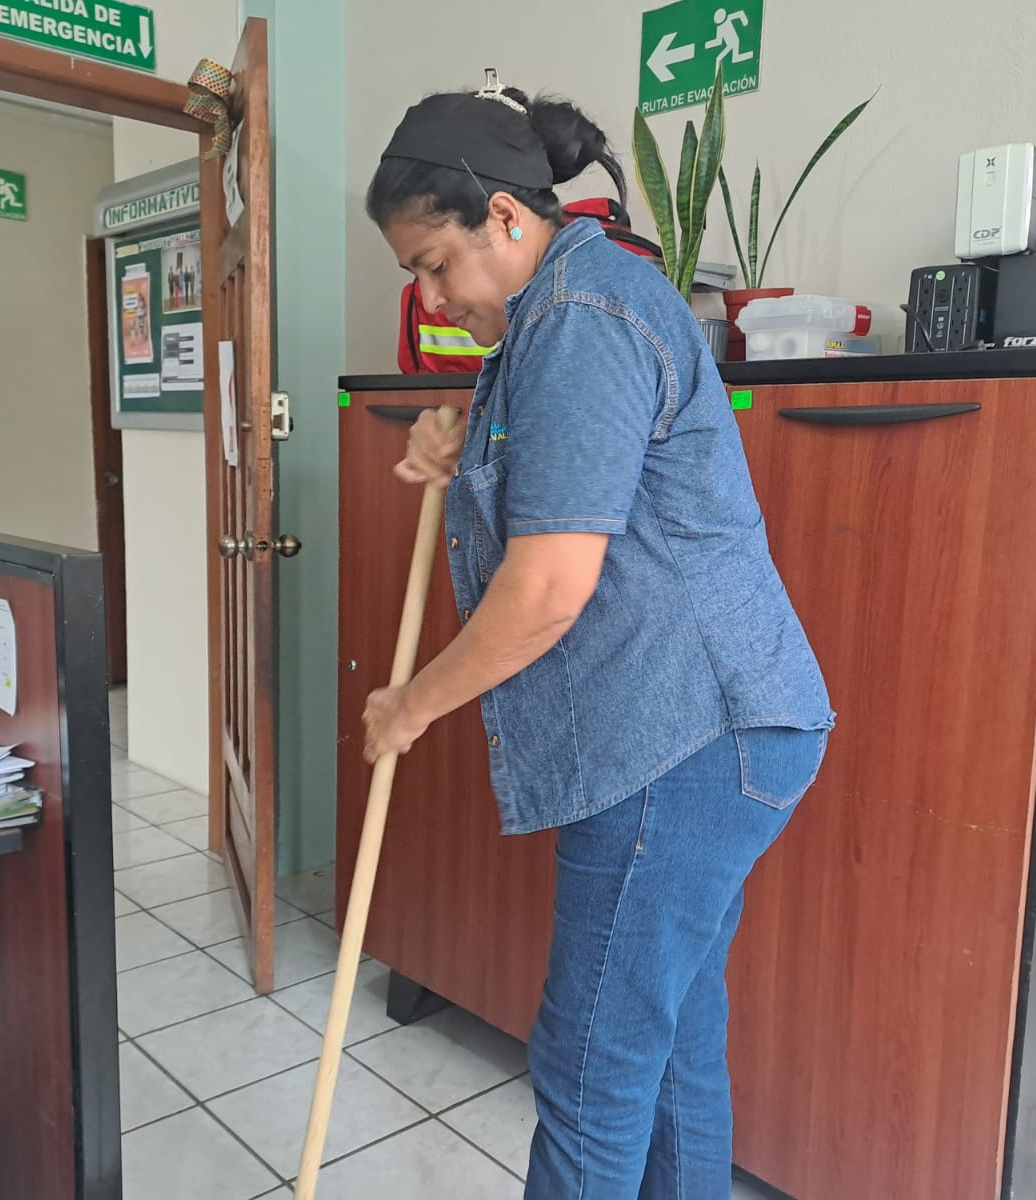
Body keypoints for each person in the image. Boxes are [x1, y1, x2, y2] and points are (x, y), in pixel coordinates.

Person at [361, 74, 833, 1198]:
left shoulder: (583, 317)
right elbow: (567, 464)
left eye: (436, 264)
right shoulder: (561, 311)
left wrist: (412, 704)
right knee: (667, 1048)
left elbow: (546, 590)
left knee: (590, 1071)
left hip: (682, 741)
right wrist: (457, 431)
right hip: (710, 731)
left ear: (505, 217)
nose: (431, 297)